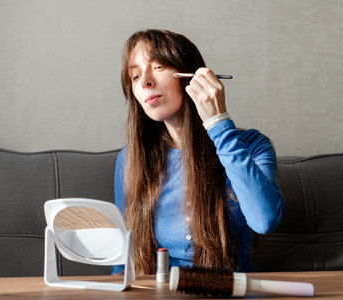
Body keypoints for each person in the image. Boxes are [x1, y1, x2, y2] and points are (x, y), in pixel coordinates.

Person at [112, 29, 284, 275]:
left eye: (158, 67)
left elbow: (264, 220)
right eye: (135, 75)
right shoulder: (130, 158)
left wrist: (219, 124)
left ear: (192, 76)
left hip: (223, 291)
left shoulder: (253, 145)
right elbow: (123, 259)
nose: (145, 81)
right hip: (156, 292)